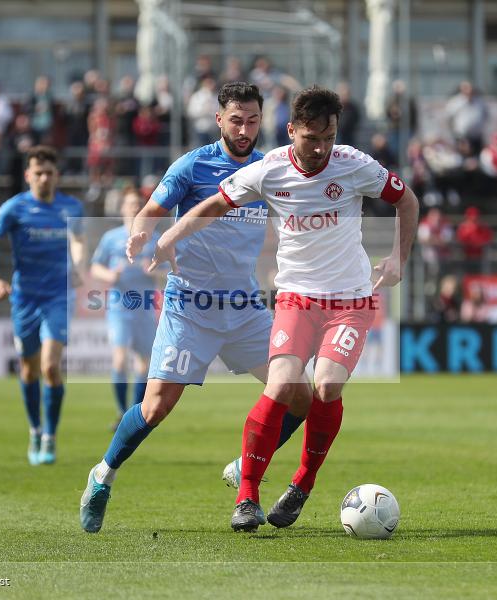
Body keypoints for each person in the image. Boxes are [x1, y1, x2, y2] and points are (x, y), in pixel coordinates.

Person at [148, 86, 419, 532]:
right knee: (281, 385)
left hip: (350, 300)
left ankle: (302, 484)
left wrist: (398, 259)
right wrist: (169, 237)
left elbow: (406, 199)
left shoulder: (354, 165)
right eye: (312, 138)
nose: (321, 148)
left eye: (329, 137)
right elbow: (215, 204)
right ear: (291, 130)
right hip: (296, 297)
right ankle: (247, 498)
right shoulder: (269, 169)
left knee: (326, 386)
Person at [79, 82, 312, 534]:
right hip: (190, 305)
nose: (244, 130)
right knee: (155, 408)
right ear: (219, 119)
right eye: (236, 120)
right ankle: (102, 475)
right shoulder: (192, 165)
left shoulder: (268, 168)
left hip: (244, 307)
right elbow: (151, 209)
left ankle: (247, 464)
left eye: (252, 121)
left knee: (300, 395)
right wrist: (142, 232)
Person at [0, 146, 88, 466]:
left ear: (57, 175)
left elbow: (79, 240)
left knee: (50, 366)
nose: (44, 178)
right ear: (28, 175)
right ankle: (35, 429)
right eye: (38, 173)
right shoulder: (15, 208)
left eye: (49, 173)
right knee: (28, 368)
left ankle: (50, 436)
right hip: (24, 297)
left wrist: (79, 265)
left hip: (58, 296)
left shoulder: (72, 207)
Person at [90, 191, 159, 429]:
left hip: (145, 308)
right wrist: (110, 275)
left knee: (144, 365)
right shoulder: (111, 238)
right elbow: (95, 267)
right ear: (122, 208)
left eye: (138, 204)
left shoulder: (154, 238)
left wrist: (155, 270)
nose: (134, 208)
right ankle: (121, 412)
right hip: (120, 308)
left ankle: (134, 414)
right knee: (119, 361)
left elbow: (171, 270)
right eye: (130, 204)